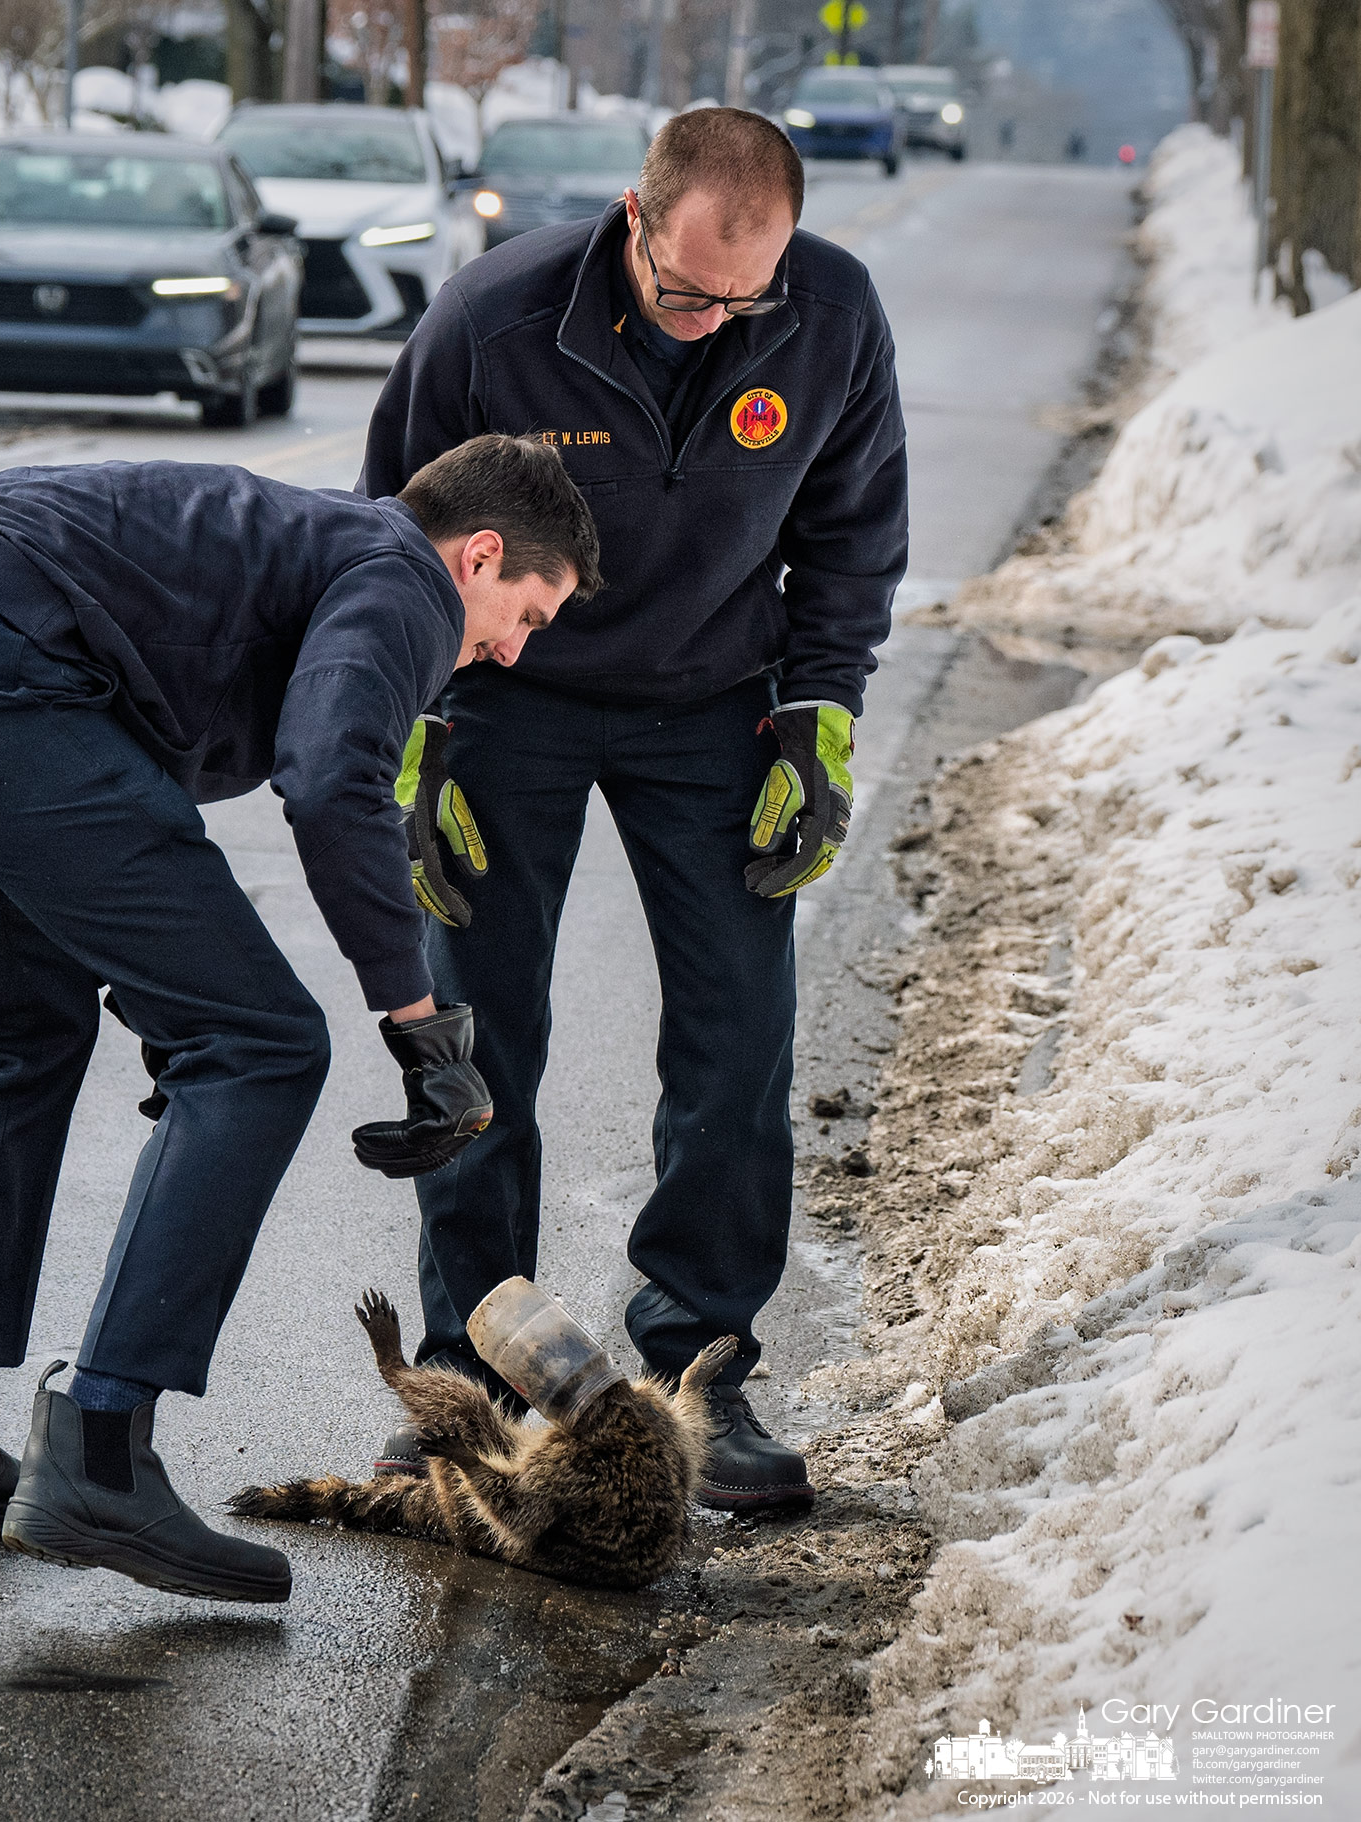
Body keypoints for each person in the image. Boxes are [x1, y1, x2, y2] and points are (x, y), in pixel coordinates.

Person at [0, 437, 600, 1602]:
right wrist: (421, 1026)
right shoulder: (402, 573)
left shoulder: (300, 547)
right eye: (527, 609)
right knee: (262, 1044)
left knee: (23, 1016)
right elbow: (327, 777)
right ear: (478, 555)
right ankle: (101, 1445)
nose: (512, 649)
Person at [358, 107, 908, 1509]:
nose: (714, 320)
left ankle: (701, 1373)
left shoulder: (831, 318)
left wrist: (817, 722)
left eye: (747, 295)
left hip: (720, 700)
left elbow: (851, 539)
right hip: (509, 695)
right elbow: (390, 535)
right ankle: (465, 1382)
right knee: (481, 1036)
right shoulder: (496, 321)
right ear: (633, 217)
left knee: (738, 1033)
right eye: (686, 289)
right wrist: (411, 744)